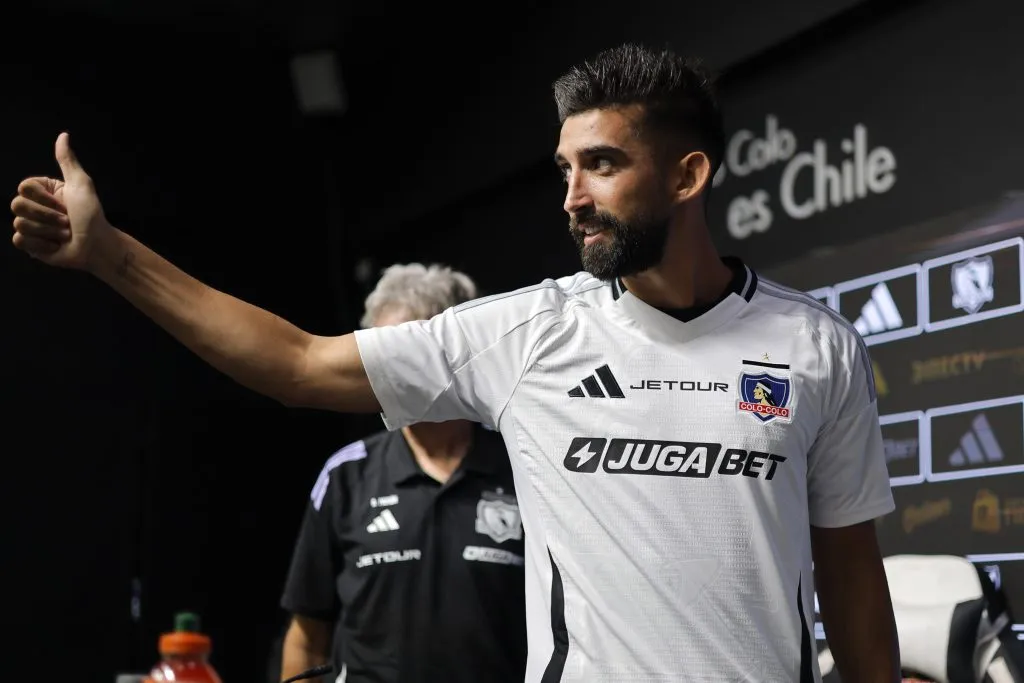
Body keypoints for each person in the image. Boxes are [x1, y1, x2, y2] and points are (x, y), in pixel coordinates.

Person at [10, 42, 900, 682]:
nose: (572, 199)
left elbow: (851, 572)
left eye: (600, 165)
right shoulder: (529, 332)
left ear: (687, 174)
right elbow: (296, 362)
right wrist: (111, 255)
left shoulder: (818, 348)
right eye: (563, 169)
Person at [278, 263, 527, 683]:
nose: (378, 373)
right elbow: (306, 636)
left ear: (454, 352)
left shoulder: (523, 463)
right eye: (372, 356)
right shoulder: (345, 475)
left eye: (397, 355)